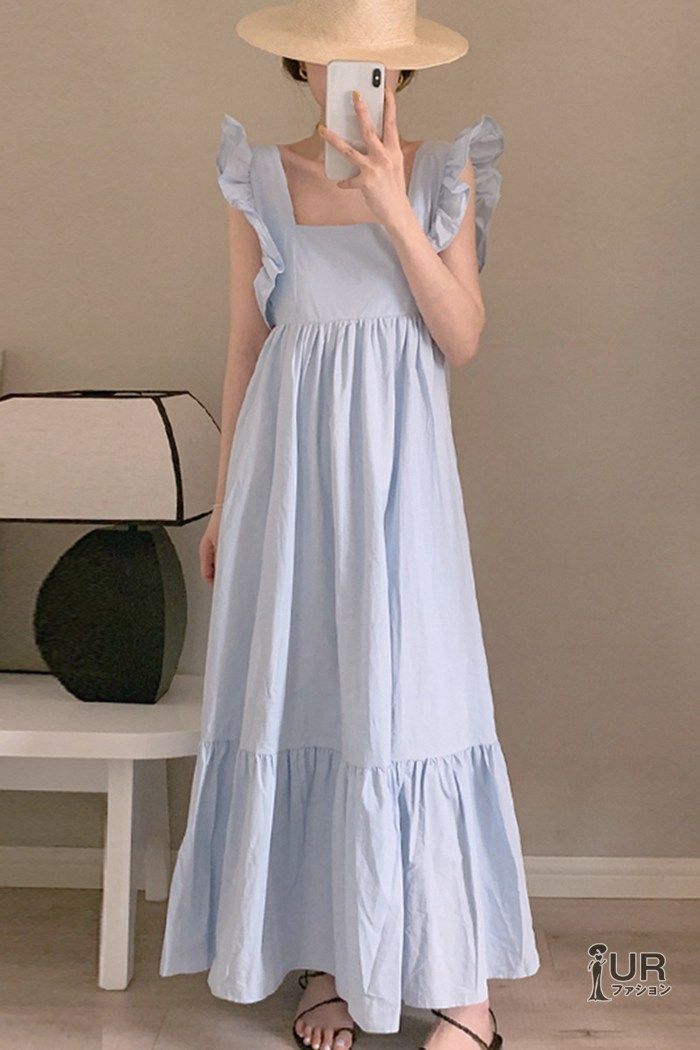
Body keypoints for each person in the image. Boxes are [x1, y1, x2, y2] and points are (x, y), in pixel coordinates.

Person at [159, 3, 540, 1048]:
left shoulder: (444, 172)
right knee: (311, 693)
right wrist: (227, 503)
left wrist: (391, 207)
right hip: (286, 482)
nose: (356, 76)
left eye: (375, 61)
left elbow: (460, 337)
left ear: (400, 72)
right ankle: (325, 958)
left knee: (414, 699)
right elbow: (246, 347)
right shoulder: (258, 179)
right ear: (304, 64)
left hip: (401, 485)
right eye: (337, 59)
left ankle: (463, 989)